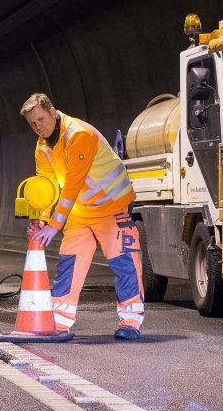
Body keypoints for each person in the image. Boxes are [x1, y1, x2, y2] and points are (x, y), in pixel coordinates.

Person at [20, 92, 144, 340]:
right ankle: (59, 321)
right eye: (32, 123)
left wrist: (54, 224)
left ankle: (131, 321)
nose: (38, 127)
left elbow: (73, 183)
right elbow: (46, 187)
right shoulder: (42, 147)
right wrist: (41, 218)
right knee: (68, 265)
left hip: (112, 207)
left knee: (124, 263)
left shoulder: (79, 134)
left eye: (41, 119)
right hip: (79, 212)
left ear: (53, 111)